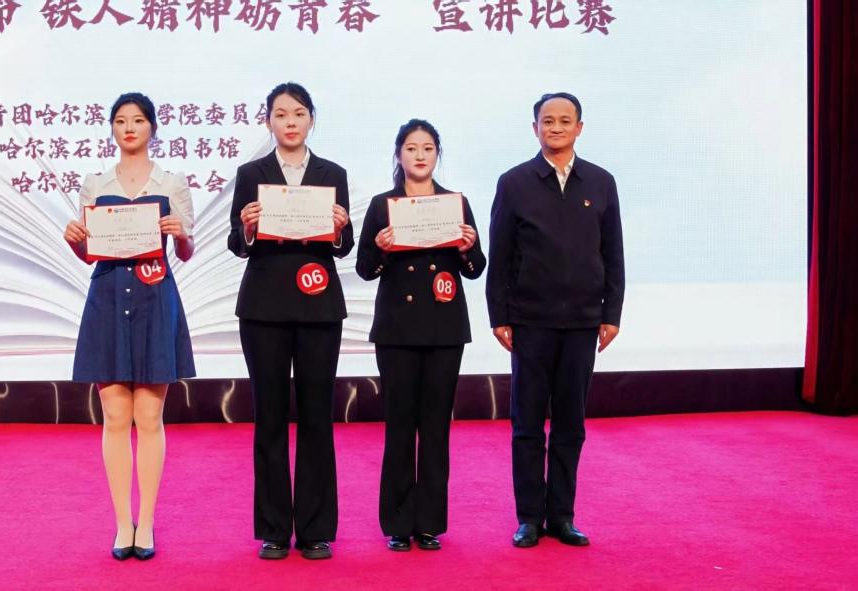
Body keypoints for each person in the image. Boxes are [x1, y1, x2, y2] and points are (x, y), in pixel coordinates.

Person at [485, 92, 625, 548]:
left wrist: (611, 313)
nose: (557, 128)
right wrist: (499, 315)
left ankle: (562, 516)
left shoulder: (601, 182)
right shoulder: (514, 182)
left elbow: (613, 253)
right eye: (548, 121)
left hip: (583, 322)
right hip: (531, 322)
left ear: (579, 128)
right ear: (535, 129)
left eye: (566, 121)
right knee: (527, 424)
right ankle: (529, 518)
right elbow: (500, 255)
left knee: (570, 425)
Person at [63, 92, 196, 561]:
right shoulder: (95, 184)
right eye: (121, 121)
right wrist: (75, 239)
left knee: (150, 417)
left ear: (152, 127)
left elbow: (186, 251)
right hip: (107, 298)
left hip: (155, 300)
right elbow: (89, 253)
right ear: (112, 129)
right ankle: (124, 524)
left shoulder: (172, 182)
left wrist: (180, 233)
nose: (129, 128)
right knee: (116, 418)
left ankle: (148, 522)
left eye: (138, 120)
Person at [227, 82, 353, 560]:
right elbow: (236, 243)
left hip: (319, 305)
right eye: (281, 114)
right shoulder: (251, 173)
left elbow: (344, 246)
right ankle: (275, 530)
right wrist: (248, 228)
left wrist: (339, 229)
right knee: (271, 416)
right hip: (264, 307)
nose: (290, 122)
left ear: (311, 119)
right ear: (269, 122)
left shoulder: (332, 173)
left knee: (318, 415)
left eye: (298, 113)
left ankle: (316, 529)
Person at [356, 119, 485, 552]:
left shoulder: (455, 203)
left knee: (435, 427)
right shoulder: (383, 205)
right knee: (399, 426)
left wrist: (467, 249)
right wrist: (382, 249)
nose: (419, 155)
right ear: (399, 154)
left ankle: (429, 522)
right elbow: (365, 268)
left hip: (444, 328)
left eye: (427, 148)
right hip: (397, 329)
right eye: (411, 148)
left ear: (437, 154)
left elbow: (476, 268)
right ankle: (398, 522)